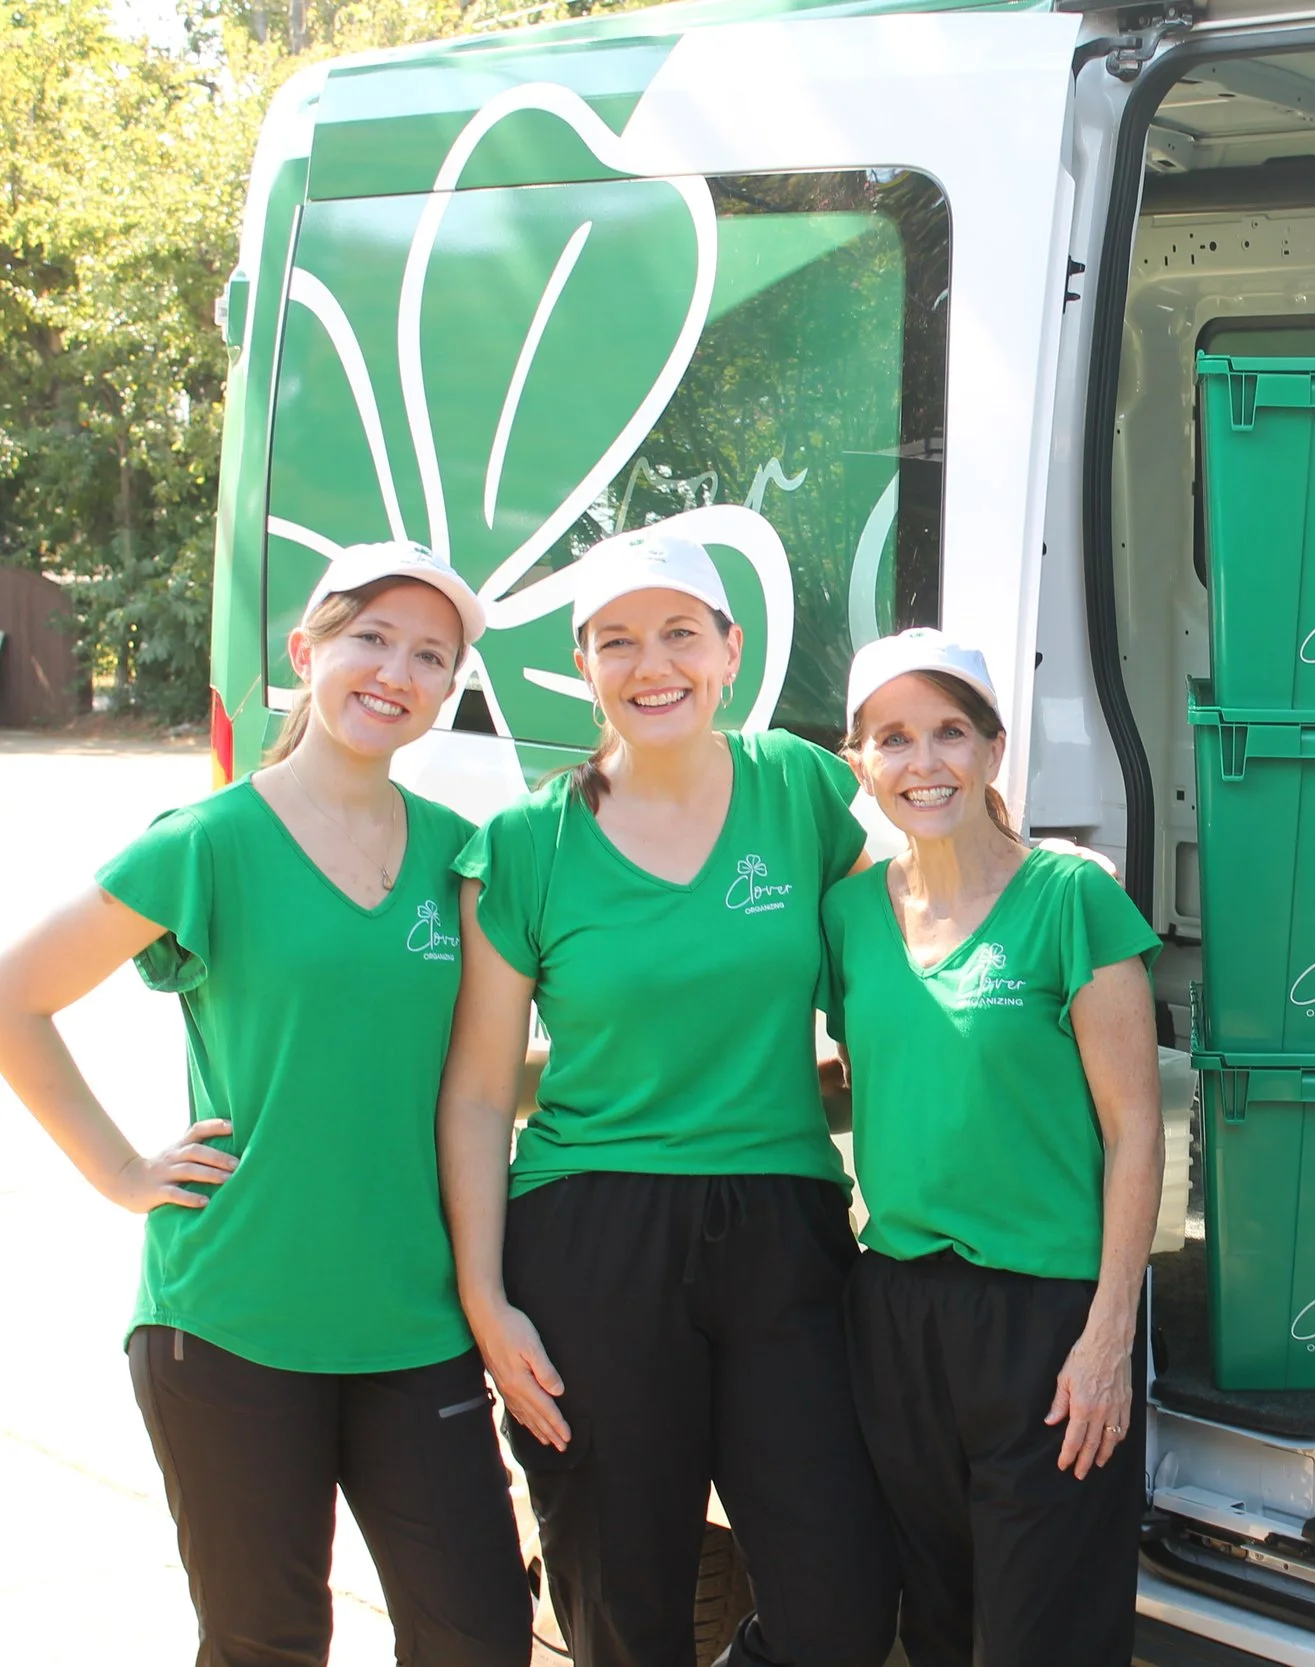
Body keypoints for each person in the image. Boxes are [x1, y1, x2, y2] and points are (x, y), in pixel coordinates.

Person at [0, 543, 532, 1667]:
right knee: (267, 1643)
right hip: (231, 1324)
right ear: (305, 651)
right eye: (370, 638)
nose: (395, 670)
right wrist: (118, 1170)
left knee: (480, 1636)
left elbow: (467, 1077)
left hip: (415, 1321)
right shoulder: (208, 843)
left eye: (429, 655)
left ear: (448, 693)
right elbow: (16, 998)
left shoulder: (462, 857)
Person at [435, 520, 899, 1667]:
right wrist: (488, 1304)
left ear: (730, 650)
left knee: (840, 1604)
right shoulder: (527, 842)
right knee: (622, 1610)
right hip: (591, 1235)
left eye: (680, 635)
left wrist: (1037, 870)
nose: (654, 666)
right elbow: (482, 1093)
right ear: (584, 667)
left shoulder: (798, 789)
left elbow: (902, 956)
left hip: (782, 1224)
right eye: (618, 642)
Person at [823, 629, 1164, 1667]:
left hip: (1047, 1317)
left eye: (948, 732)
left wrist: (1108, 1339)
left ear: (993, 749)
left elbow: (1135, 1127)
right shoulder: (846, 913)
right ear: (859, 762)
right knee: (932, 1615)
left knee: (1040, 1632)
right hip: (895, 1306)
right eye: (893, 738)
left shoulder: (1071, 897)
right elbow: (869, 1071)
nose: (923, 762)